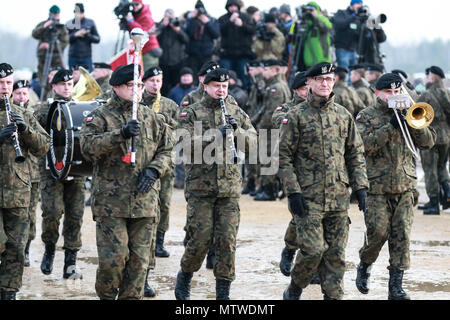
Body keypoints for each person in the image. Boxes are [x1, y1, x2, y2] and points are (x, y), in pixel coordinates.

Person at [79, 64, 173, 300]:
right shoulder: (99, 116)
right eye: (132, 86)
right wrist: (119, 134)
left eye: (139, 85)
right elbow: (88, 148)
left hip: (145, 202)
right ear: (117, 87)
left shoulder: (152, 118)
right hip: (112, 203)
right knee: (114, 260)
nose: (138, 90)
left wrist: (154, 170)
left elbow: (167, 150)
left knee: (140, 264)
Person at [279, 62, 369, 300]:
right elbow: (283, 157)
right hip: (308, 197)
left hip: (339, 196)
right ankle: (295, 288)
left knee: (336, 254)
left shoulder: (343, 115)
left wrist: (360, 187)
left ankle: (332, 296)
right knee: (313, 251)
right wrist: (293, 192)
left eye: (329, 80)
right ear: (309, 83)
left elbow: (355, 153)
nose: (325, 84)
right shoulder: (295, 116)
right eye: (320, 80)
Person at [174, 68, 256, 300]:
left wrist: (237, 132)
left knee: (227, 241)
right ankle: (186, 274)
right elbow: (183, 145)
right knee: (199, 239)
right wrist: (215, 135)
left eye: (224, 87)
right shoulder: (191, 112)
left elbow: (254, 141)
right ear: (206, 86)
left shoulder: (235, 111)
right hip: (201, 188)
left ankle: (223, 291)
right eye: (216, 86)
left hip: (229, 189)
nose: (221, 91)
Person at [354, 73, 436, 300]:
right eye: (388, 93)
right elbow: (364, 146)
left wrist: (412, 120)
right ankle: (365, 263)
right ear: (377, 93)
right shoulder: (365, 116)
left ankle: (396, 286)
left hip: (405, 185)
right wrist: (391, 125)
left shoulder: (410, 112)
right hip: (376, 188)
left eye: (397, 92)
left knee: (401, 237)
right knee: (378, 233)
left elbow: (428, 142)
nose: (393, 96)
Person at [0, 63, 50, 300]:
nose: (5, 87)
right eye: (1, 83)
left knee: (16, 248)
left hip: (18, 192)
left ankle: (9, 292)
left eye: (8, 83)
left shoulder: (25, 114)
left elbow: (44, 147)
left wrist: (26, 130)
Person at [34, 69, 86, 280]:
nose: (67, 87)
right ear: (54, 86)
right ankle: (49, 249)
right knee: (52, 213)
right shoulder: (44, 110)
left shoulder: (78, 108)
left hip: (76, 170)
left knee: (75, 216)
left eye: (69, 84)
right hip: (51, 169)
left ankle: (70, 263)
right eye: (62, 84)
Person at [141, 66, 178, 297]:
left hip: (163, 165)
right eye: (152, 80)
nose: (156, 84)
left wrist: (162, 122)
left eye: (159, 80)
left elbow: (178, 132)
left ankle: (160, 241)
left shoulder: (170, 105)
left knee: (163, 205)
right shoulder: (137, 104)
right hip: (140, 164)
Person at [253, 59, 291, 201]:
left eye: (268, 69)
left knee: (268, 158)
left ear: (275, 70)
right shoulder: (274, 86)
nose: (265, 72)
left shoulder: (276, 88)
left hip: (270, 129)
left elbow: (271, 113)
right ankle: (266, 186)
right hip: (269, 128)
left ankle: (269, 189)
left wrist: (260, 125)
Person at [12, 80, 39, 268]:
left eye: (25, 93)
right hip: (15, 175)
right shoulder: (9, 112)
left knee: (31, 215)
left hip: (34, 174)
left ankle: (27, 249)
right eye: (18, 93)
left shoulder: (34, 114)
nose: (22, 97)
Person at [416, 66, 450, 214]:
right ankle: (447, 194)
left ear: (432, 77)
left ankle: (434, 203)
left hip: (431, 136)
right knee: (441, 166)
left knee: (430, 169)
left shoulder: (426, 95)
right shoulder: (447, 93)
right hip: (446, 136)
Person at [218, 0, 257, 91]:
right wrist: (230, 22)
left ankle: (245, 98)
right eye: (230, 6)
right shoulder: (223, 18)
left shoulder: (246, 17)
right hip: (227, 54)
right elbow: (219, 31)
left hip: (243, 54)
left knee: (244, 78)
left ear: (238, 6)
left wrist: (242, 25)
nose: (233, 8)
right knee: (224, 77)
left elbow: (253, 30)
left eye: (235, 6)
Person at [32, 5, 69, 86]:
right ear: (49, 14)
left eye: (56, 14)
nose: (55, 16)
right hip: (43, 58)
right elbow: (34, 34)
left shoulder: (61, 28)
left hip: (57, 59)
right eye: (53, 14)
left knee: (58, 80)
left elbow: (64, 43)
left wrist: (49, 46)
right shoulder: (43, 24)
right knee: (43, 81)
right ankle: (44, 96)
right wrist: (45, 26)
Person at [156, 9, 189, 96]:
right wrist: (163, 25)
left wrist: (178, 30)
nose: (170, 18)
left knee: (176, 84)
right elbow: (154, 38)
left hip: (178, 61)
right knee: (164, 86)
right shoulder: (160, 25)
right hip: (164, 62)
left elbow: (186, 40)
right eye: (168, 16)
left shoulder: (179, 25)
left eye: (171, 16)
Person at [184, 1, 220, 79]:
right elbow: (188, 34)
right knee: (194, 76)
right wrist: (193, 19)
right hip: (193, 53)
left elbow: (216, 34)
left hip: (206, 53)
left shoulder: (211, 19)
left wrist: (207, 23)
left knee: (206, 75)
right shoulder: (190, 20)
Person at [125, 0, 162, 70]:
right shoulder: (137, 15)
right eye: (132, 5)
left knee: (147, 76)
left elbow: (141, 33)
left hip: (148, 50)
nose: (134, 6)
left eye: (137, 4)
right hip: (143, 49)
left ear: (141, 4)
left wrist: (131, 21)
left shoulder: (146, 16)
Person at [296, 2, 332, 71]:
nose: (309, 12)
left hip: (322, 61)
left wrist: (314, 18)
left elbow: (327, 27)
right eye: (307, 10)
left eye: (311, 10)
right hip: (308, 63)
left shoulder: (322, 19)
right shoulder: (305, 24)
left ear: (317, 11)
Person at [66, 3, 100, 73]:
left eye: (80, 13)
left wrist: (88, 35)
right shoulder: (69, 24)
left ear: (83, 13)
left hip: (86, 56)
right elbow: (64, 40)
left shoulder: (90, 23)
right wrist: (75, 35)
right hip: (73, 56)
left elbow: (97, 39)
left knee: (88, 77)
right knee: (72, 78)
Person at [332, 0, 364, 74]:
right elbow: (339, 25)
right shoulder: (341, 13)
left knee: (353, 73)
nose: (359, 6)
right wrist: (353, 16)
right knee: (344, 72)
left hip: (353, 50)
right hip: (342, 49)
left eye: (361, 4)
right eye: (357, 3)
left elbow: (359, 34)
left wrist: (363, 22)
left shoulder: (359, 18)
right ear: (351, 5)